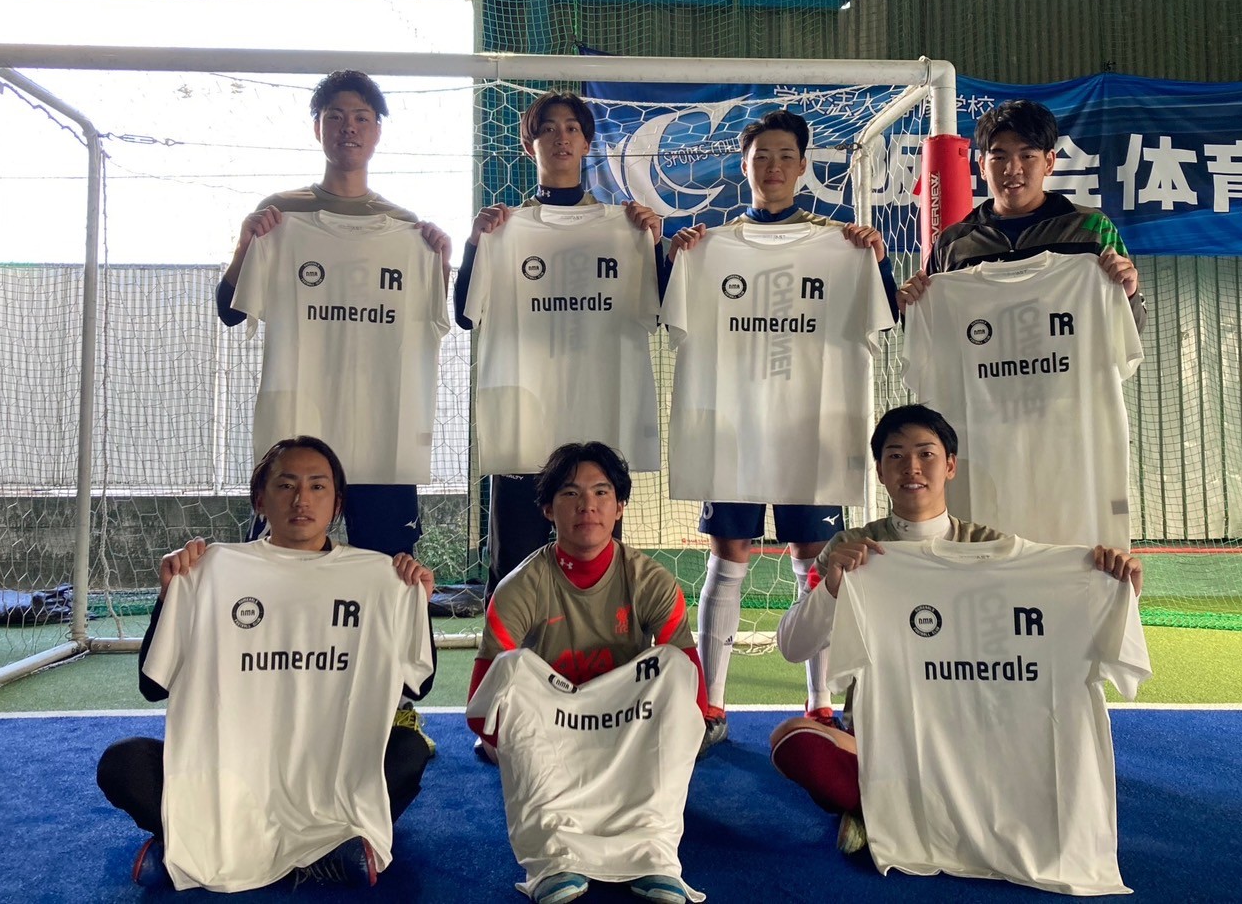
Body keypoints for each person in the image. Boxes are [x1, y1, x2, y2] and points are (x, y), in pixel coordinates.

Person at [768, 404, 1142, 855]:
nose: (911, 467)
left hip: (974, 732)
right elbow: (793, 646)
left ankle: (885, 809)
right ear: (880, 472)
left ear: (950, 466)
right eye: (895, 456)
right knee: (793, 742)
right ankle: (887, 804)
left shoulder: (991, 547)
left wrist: (1116, 586)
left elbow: (1061, 623)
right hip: (888, 735)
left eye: (925, 454)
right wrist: (832, 588)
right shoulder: (851, 548)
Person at [96, 437, 437, 891]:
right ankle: (312, 854)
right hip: (232, 775)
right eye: (286, 485)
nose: (302, 500)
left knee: (407, 750)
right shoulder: (210, 571)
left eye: (318, 486)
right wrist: (171, 595)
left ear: (337, 504)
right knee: (123, 763)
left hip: (326, 773)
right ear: (260, 500)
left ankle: (194, 849)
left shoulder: (380, 578)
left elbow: (418, 684)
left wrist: (416, 603)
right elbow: (153, 686)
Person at [665, 109, 899, 752]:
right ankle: (711, 703)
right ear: (744, 166)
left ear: (802, 167)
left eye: (784, 156)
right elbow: (667, 313)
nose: (772, 167)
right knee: (728, 558)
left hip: (812, 430)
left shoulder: (842, 246)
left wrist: (876, 261)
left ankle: (819, 704)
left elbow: (885, 314)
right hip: (733, 429)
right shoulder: (709, 247)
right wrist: (675, 257)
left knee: (813, 565)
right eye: (761, 156)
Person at [216, 69, 453, 558]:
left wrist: (440, 264)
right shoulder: (282, 215)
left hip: (381, 431)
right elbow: (229, 312)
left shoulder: (405, 227)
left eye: (361, 118)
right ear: (317, 127)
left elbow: (428, 323)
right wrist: (245, 246)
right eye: (335, 117)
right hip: (297, 425)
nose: (349, 128)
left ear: (377, 131)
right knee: (277, 563)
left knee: (389, 566)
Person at [466, 442, 707, 904]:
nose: (587, 506)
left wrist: (656, 747)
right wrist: (522, 748)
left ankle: (653, 854)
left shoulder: (651, 581)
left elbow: (693, 700)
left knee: (676, 667)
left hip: (626, 731)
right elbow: (482, 708)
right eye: (570, 494)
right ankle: (553, 859)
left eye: (601, 492)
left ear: (620, 507)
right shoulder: (519, 588)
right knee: (512, 669)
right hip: (553, 736)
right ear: (547, 509)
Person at [452, 90, 662, 597]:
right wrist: (476, 243)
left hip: (598, 431)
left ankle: (599, 652)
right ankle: (508, 654)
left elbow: (659, 315)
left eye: (571, 128)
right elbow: (463, 314)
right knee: (513, 574)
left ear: (588, 143)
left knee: (599, 573)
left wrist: (653, 245)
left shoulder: (625, 229)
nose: (560, 138)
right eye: (547, 129)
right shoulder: (504, 229)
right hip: (524, 429)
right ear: (530, 145)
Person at [897, 98, 1146, 328]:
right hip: (984, 364)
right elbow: (936, 335)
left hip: (1068, 364)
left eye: (1027, 156)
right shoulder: (953, 244)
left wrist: (1129, 293)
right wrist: (913, 311)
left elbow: (1131, 329)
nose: (1012, 169)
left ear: (1049, 162)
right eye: (999, 157)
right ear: (982, 166)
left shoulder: (1092, 228)